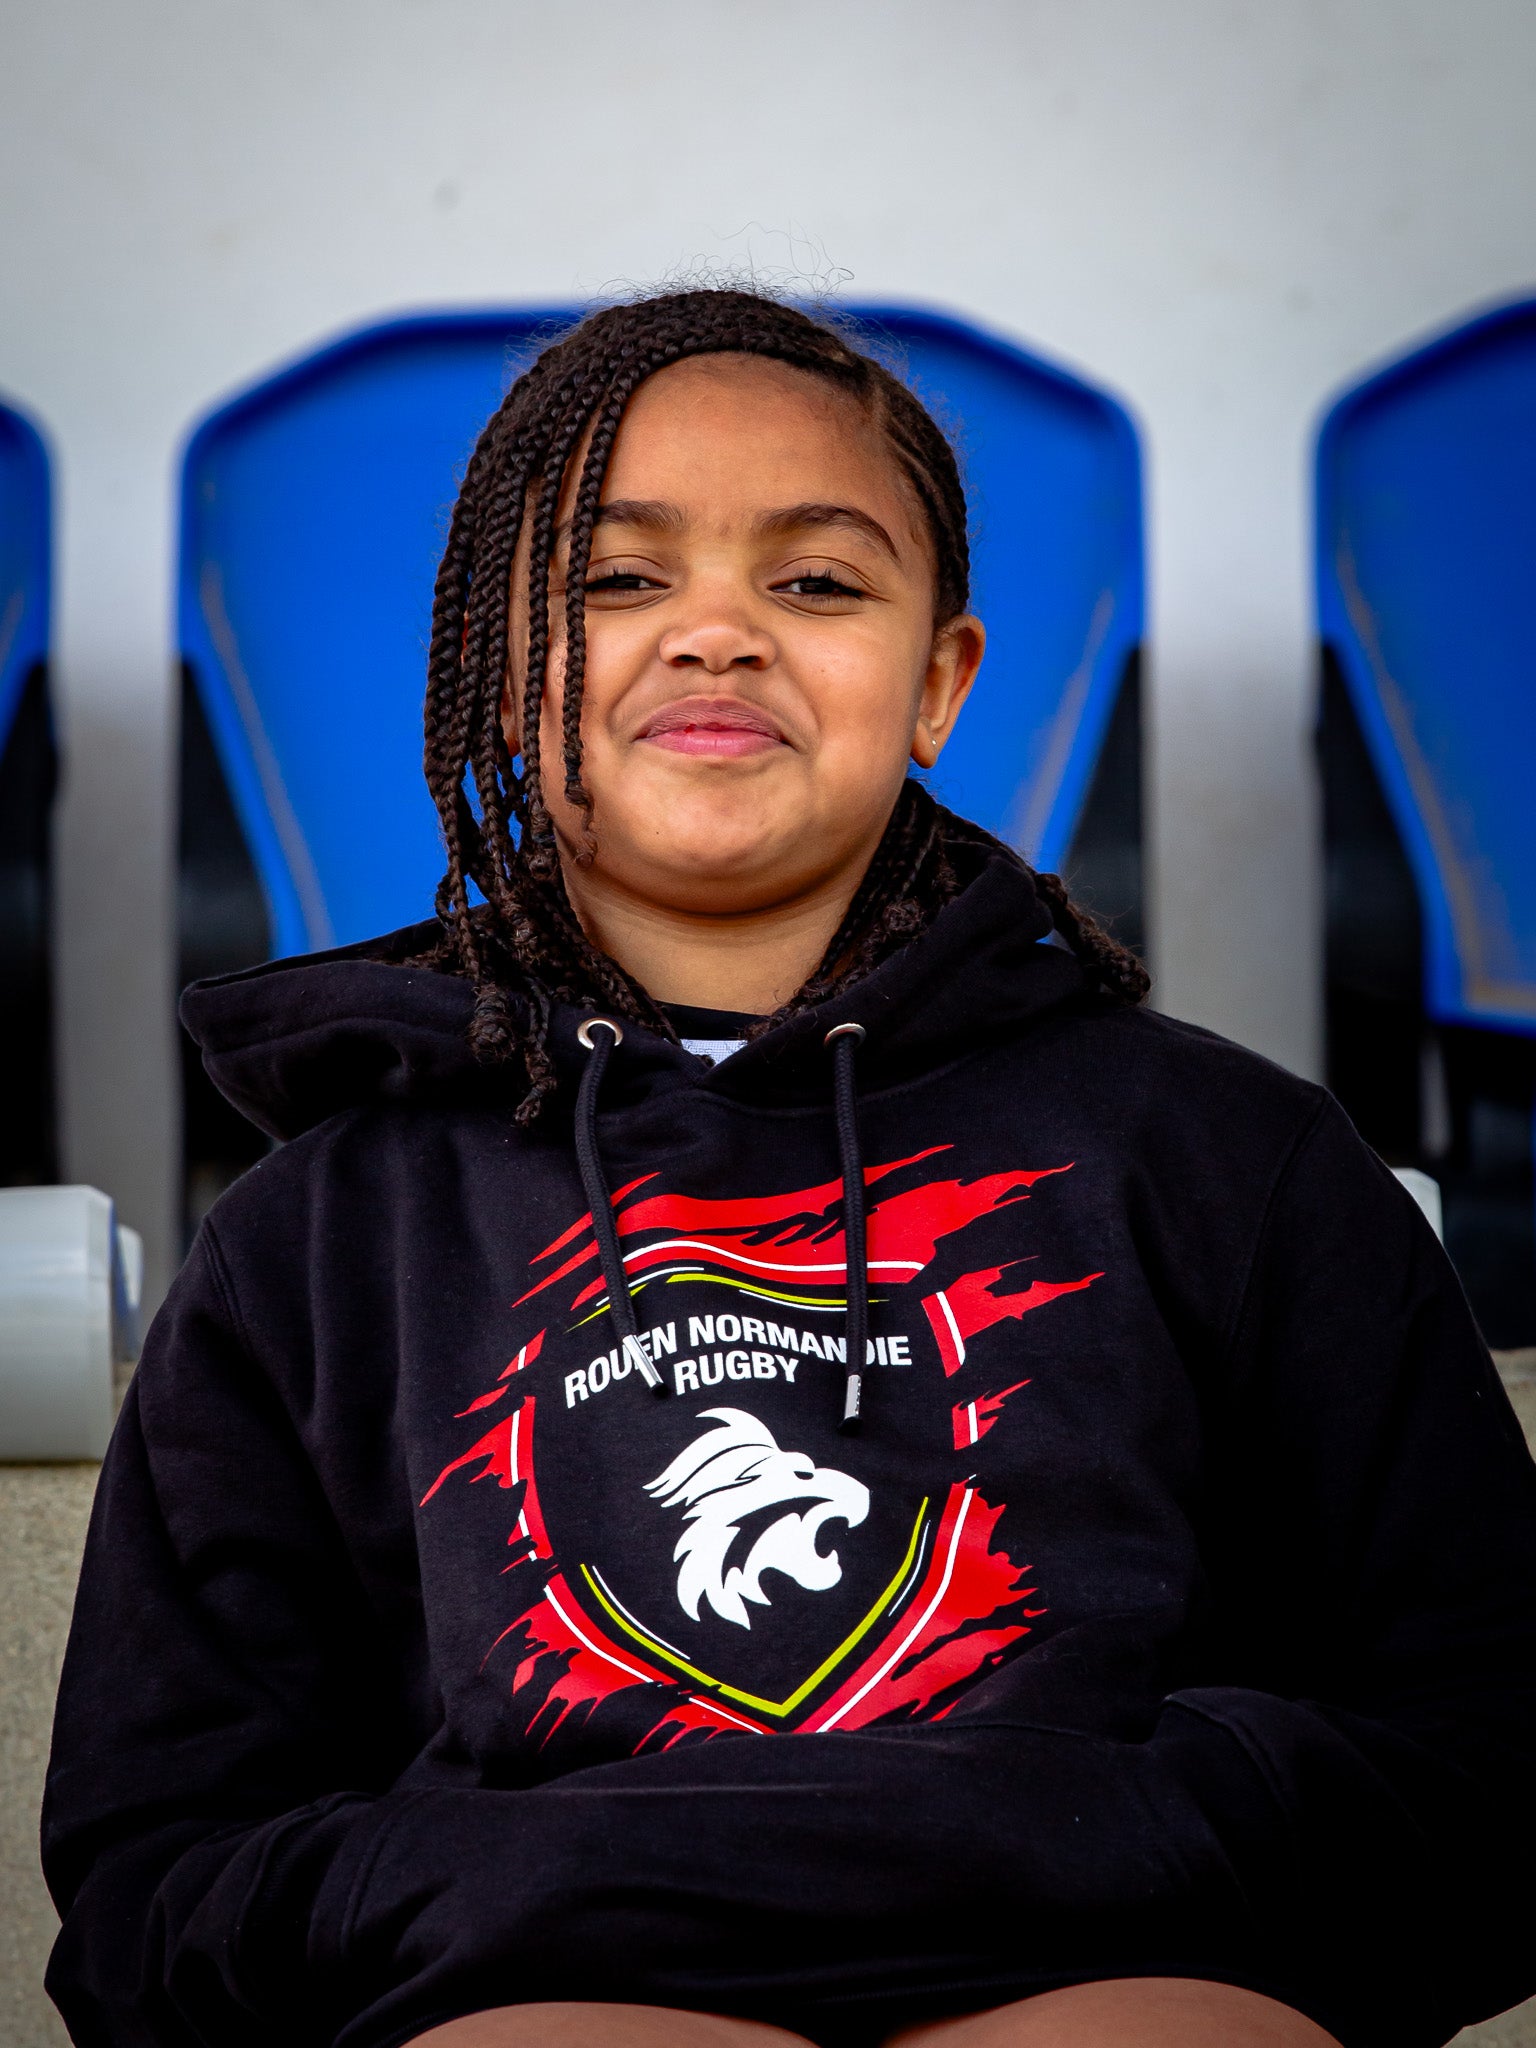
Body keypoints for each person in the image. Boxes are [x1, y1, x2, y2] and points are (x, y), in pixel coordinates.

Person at [43, 288, 1536, 2048]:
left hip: (1113, 1972)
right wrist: (477, 1892)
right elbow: (155, 1872)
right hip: (544, 1993)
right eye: (618, 580)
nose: (717, 634)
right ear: (503, 666)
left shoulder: (1232, 1159)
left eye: (817, 582)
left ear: (940, 682)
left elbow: (1492, 1752)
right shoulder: (315, 1240)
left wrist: (1138, 1834)